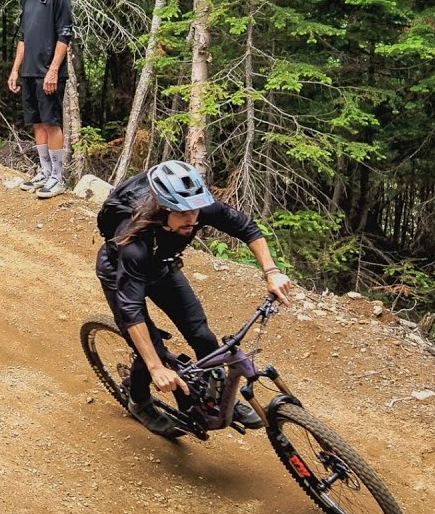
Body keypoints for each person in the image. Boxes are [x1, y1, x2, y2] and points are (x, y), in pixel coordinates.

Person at [95, 160, 293, 437]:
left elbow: (246, 228)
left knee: (203, 337)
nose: (193, 219)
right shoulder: (133, 242)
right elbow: (131, 310)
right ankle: (138, 401)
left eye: (195, 210)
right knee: (150, 350)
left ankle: (217, 400)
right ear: (163, 209)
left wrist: (271, 272)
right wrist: (156, 367)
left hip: (162, 267)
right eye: (183, 214)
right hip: (120, 275)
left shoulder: (197, 208)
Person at [7, 0, 74, 200]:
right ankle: (44, 171)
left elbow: (65, 35)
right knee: (36, 121)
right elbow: (23, 37)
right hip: (29, 71)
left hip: (49, 71)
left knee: (51, 121)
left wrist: (54, 70)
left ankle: (58, 177)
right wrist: (16, 69)